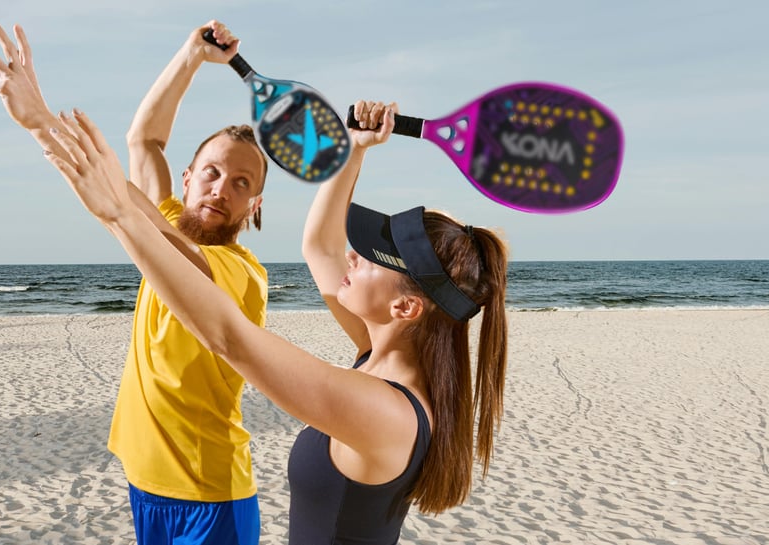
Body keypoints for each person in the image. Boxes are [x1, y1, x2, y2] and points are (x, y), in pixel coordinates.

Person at [38, 96, 510, 543]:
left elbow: (230, 337)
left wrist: (120, 214)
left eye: (369, 258)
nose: (350, 256)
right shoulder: (385, 355)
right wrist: (353, 149)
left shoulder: (386, 413)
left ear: (406, 308)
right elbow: (319, 246)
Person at [0, 20, 270, 544]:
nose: (222, 189)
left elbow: (152, 233)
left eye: (242, 183)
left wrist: (44, 125)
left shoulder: (243, 274)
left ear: (255, 205)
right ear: (187, 176)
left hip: (212, 494)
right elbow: (146, 138)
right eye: (212, 172)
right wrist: (191, 55)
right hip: (144, 479)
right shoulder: (169, 214)